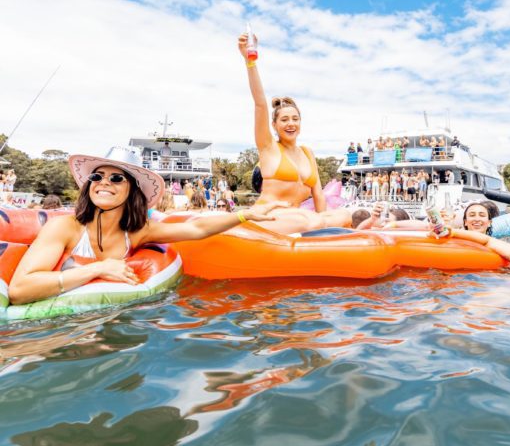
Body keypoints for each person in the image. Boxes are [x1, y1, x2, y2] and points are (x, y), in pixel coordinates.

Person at [8, 147, 284, 305]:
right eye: (97, 176)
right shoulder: (65, 227)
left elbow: (197, 230)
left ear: (132, 191)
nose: (104, 182)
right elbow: (20, 290)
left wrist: (245, 215)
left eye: (117, 178)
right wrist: (100, 267)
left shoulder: (138, 232)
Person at [238, 33, 351, 233]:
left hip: (298, 219)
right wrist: (250, 63)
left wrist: (324, 227)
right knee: (311, 220)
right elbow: (260, 104)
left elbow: (318, 195)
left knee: (345, 215)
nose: (291, 124)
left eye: (295, 119)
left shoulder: (307, 153)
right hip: (269, 217)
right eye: (284, 119)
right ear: (274, 124)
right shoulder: (269, 148)